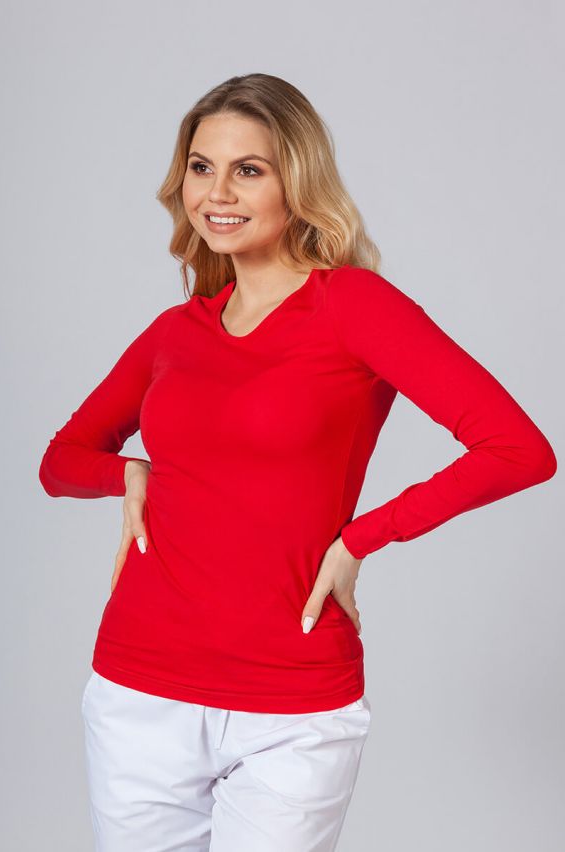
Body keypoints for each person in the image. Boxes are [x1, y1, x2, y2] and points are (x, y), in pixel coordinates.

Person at [38, 73, 557, 852]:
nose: (218, 192)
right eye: (201, 166)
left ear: (297, 181)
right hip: (138, 689)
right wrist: (129, 473)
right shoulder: (175, 333)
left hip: (293, 700)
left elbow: (519, 450)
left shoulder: (353, 306)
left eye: (249, 169)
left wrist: (360, 538)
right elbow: (60, 461)